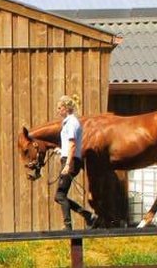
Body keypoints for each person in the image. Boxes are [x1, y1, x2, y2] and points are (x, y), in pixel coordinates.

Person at [56, 95, 97, 230]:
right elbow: (70, 144)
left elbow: (73, 144)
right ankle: (87, 216)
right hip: (69, 158)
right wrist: (61, 151)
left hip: (71, 161)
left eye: (59, 108)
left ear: (66, 108)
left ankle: (69, 226)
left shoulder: (72, 122)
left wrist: (68, 164)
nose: (58, 110)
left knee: (60, 195)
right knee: (59, 195)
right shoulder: (68, 122)